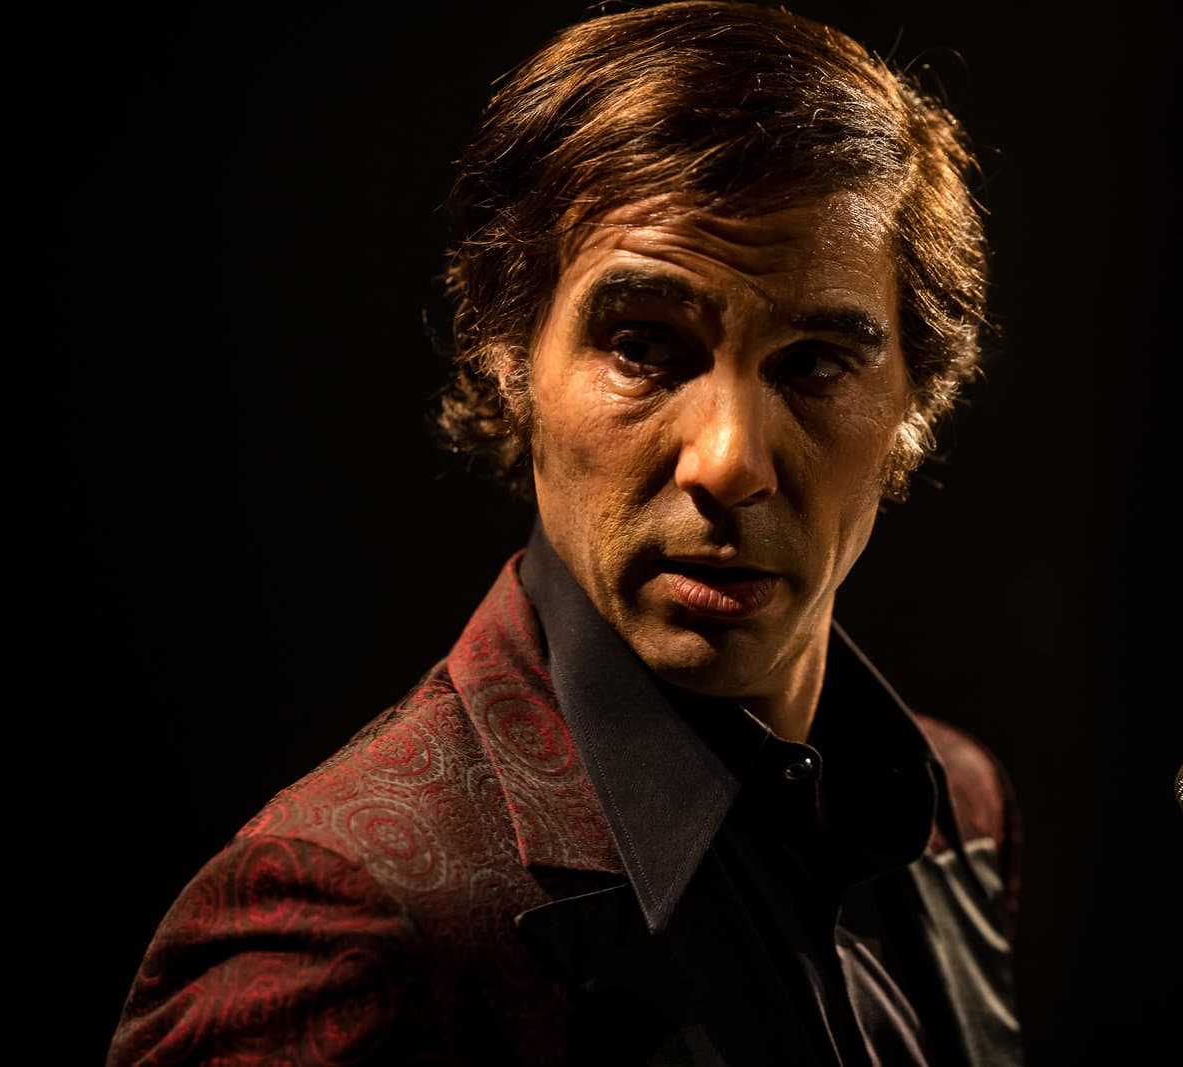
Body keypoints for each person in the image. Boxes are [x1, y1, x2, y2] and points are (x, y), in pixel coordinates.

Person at [107, 2, 1022, 1064]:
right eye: (643, 346)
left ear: (917, 401)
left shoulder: (958, 805)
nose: (729, 460)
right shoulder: (344, 921)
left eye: (815, 362)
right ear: (510, 363)